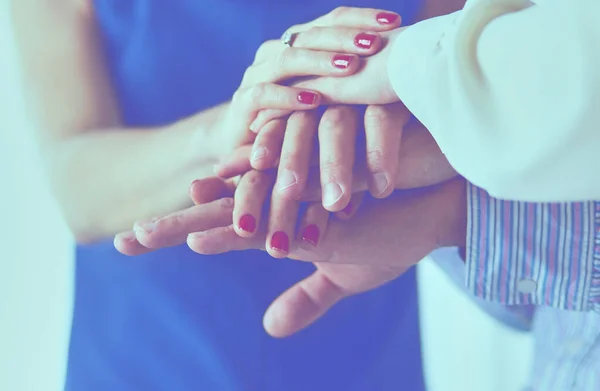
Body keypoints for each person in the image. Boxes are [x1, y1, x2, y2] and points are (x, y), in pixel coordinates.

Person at [10, 1, 468, 390]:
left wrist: (369, 123)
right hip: (148, 354)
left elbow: (474, 123)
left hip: (357, 336)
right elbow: (78, 186)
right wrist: (230, 130)